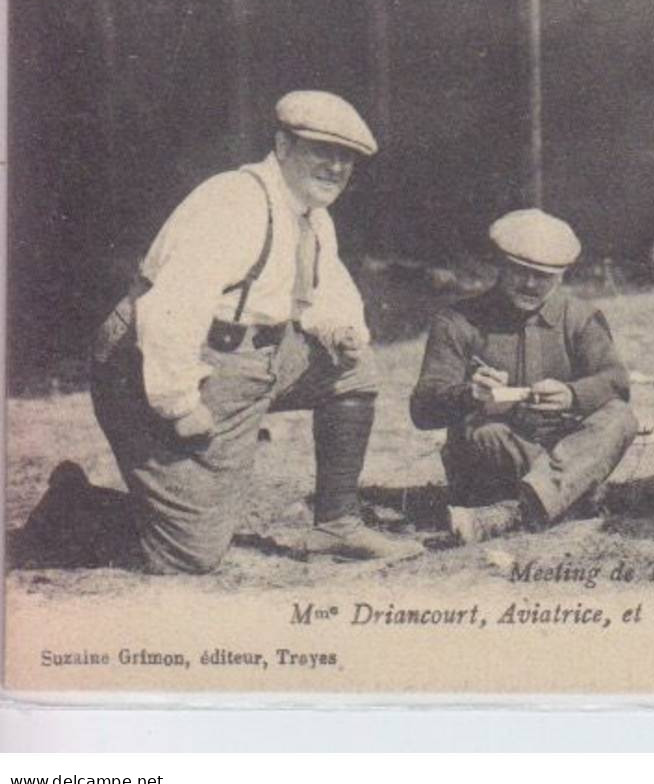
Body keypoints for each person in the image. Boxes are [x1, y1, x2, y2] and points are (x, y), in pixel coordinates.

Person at [74, 90, 422, 574]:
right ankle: (70, 509)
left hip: (249, 360)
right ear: (282, 146)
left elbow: (323, 287)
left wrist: (339, 329)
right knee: (189, 554)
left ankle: (336, 524)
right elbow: (170, 308)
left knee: (354, 369)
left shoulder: (311, 215)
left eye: (346, 159)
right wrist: (180, 404)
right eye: (322, 152)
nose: (336, 168)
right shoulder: (234, 202)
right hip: (148, 365)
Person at [410, 209, 638, 543]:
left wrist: (573, 394)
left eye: (543, 275)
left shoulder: (580, 318)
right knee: (485, 434)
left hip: (563, 444)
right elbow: (423, 409)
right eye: (519, 271)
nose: (530, 284)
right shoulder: (457, 320)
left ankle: (514, 512)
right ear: (499, 264)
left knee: (620, 417)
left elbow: (616, 380)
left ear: (561, 276)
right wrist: (470, 394)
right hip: (498, 452)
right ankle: (580, 496)